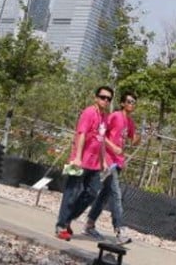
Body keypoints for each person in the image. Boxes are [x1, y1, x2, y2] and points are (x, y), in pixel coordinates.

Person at [54, 85, 113, 241]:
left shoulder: (105, 117)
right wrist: (78, 157)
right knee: (71, 192)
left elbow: (101, 141)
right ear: (96, 98)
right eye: (103, 97)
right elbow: (81, 134)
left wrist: (104, 161)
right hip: (81, 160)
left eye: (108, 99)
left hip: (95, 164)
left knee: (92, 192)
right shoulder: (89, 113)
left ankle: (68, 219)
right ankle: (61, 226)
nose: (105, 100)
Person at [83, 91, 139, 245]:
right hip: (108, 160)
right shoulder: (115, 116)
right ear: (122, 103)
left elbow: (133, 141)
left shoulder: (130, 122)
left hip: (118, 162)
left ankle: (89, 225)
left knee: (104, 195)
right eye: (129, 101)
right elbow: (101, 134)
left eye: (134, 102)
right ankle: (120, 229)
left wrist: (143, 135)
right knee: (116, 193)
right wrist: (112, 147)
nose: (131, 104)